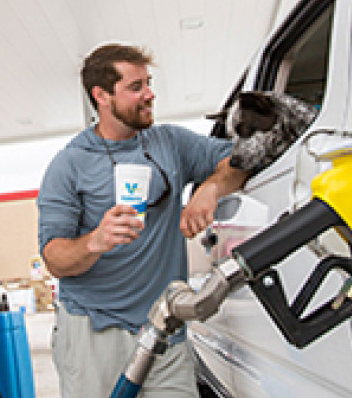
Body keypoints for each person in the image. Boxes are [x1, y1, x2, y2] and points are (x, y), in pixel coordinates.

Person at [38, 43, 248, 398]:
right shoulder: (69, 164)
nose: (150, 94)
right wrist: (96, 240)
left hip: (164, 326)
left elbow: (239, 160)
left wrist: (210, 189)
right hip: (94, 331)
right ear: (101, 96)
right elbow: (54, 258)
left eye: (148, 83)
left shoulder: (170, 143)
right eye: (136, 87)